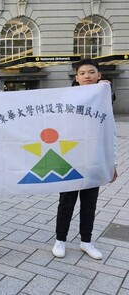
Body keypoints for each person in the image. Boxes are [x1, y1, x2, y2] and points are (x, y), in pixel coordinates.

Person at [52, 58, 118, 260]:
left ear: (99, 76)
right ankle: (60, 240)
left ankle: (86, 241)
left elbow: (111, 132)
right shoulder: (67, 98)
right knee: (66, 201)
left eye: (91, 72)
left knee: (89, 202)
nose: (87, 76)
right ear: (77, 78)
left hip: (94, 159)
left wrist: (111, 163)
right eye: (82, 73)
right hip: (69, 158)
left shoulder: (103, 97)